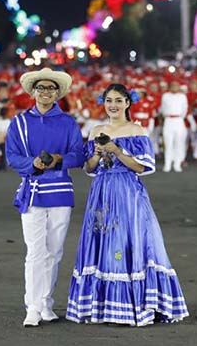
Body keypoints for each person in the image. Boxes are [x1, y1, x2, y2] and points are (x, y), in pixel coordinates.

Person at [66, 83, 189, 326]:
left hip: (127, 192)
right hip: (101, 191)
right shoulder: (95, 130)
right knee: (102, 240)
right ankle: (103, 306)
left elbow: (142, 167)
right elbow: (89, 168)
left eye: (118, 101)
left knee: (127, 240)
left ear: (128, 103)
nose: (113, 105)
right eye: (109, 100)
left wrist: (118, 151)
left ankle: (133, 304)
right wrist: (98, 154)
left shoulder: (137, 130)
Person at [5, 67, 84, 327]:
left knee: (55, 251)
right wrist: (34, 163)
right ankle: (33, 306)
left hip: (60, 191)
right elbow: (12, 157)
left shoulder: (68, 122)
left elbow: (79, 155)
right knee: (35, 251)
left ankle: (46, 302)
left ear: (57, 92)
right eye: (41, 88)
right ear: (34, 91)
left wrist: (59, 159)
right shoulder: (19, 122)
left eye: (50, 88)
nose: (45, 92)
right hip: (33, 190)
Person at [160, 81, 188, 172]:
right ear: (170, 87)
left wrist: (179, 117)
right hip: (168, 120)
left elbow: (185, 109)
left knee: (179, 143)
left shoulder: (182, 96)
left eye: (176, 86)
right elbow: (163, 109)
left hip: (179, 120)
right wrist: (168, 116)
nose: (174, 87)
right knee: (168, 143)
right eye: (173, 86)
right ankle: (167, 164)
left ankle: (177, 164)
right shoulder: (165, 96)